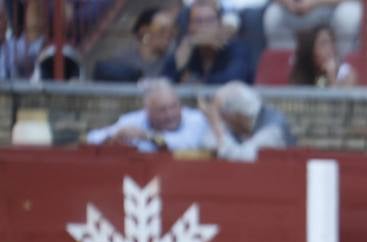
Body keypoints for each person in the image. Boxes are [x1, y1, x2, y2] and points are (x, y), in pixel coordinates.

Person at [85, 76, 214, 153]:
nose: (170, 114)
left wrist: (147, 136)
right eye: (162, 110)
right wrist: (112, 137)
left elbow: (186, 144)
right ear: (148, 111)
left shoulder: (196, 119)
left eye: (173, 107)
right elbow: (92, 138)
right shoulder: (135, 119)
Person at [163, 0, 255, 85]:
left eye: (209, 20)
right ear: (189, 27)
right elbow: (165, 81)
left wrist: (197, 82)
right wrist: (179, 62)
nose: (204, 27)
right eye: (198, 21)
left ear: (220, 24)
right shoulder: (186, 48)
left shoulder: (237, 48)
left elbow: (234, 79)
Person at [201, 80, 296, 161]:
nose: (223, 120)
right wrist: (217, 125)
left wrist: (216, 124)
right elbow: (208, 143)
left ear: (236, 116)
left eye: (223, 116)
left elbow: (243, 160)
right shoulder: (238, 123)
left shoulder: (272, 130)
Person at [94, 8, 177, 82]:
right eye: (162, 30)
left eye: (171, 31)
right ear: (144, 31)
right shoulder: (121, 61)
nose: (168, 35)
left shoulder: (173, 63)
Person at [264, 0, 362, 57]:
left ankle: (343, 71)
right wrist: (288, 2)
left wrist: (314, 2)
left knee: (348, 15)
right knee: (274, 15)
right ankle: (285, 72)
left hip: (332, 8)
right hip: (295, 10)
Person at [289, 23, 355, 86]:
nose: (330, 48)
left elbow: (340, 94)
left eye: (331, 42)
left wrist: (331, 75)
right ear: (310, 49)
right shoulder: (300, 73)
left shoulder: (346, 74)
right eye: (323, 44)